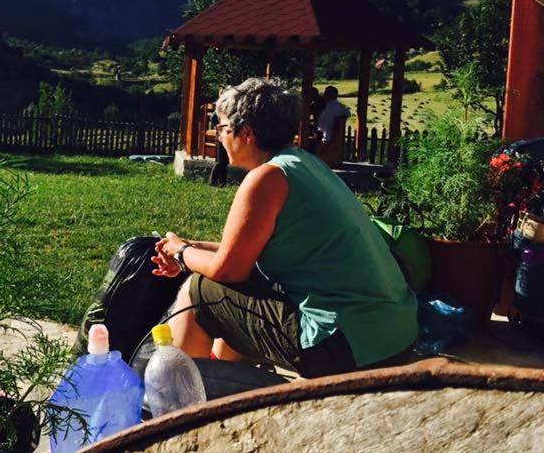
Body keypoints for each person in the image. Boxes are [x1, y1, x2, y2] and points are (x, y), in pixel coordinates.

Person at [151, 79, 416, 378]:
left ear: (247, 132)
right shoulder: (305, 163)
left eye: (222, 127)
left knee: (199, 292)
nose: (220, 135)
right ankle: (224, 378)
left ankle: (179, 395)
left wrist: (182, 252)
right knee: (238, 290)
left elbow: (228, 270)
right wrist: (189, 247)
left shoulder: (267, 178)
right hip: (393, 336)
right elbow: (244, 253)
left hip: (345, 347)